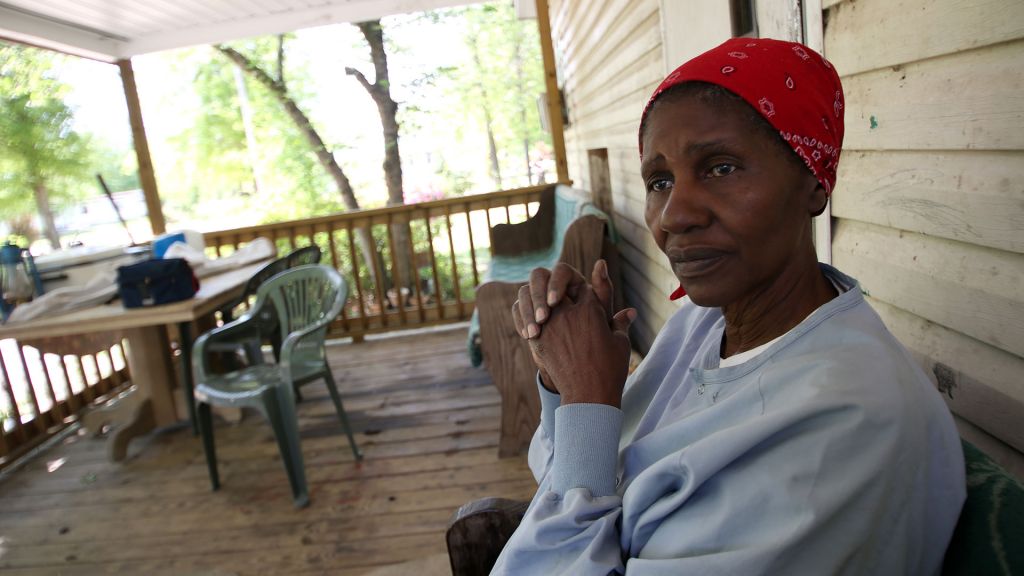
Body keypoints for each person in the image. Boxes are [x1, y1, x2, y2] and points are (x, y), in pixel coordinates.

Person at [491, 38, 966, 575]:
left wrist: (587, 399)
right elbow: (565, 474)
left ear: (814, 181)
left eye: (721, 168)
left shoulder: (843, 424)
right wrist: (567, 380)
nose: (674, 216)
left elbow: (568, 507)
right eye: (660, 181)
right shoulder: (701, 325)